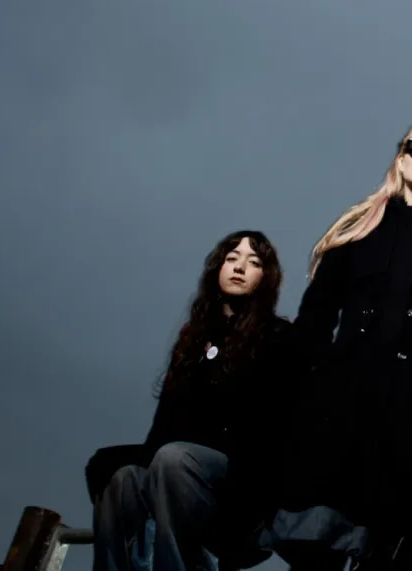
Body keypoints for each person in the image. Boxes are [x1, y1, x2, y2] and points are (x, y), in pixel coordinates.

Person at [263, 121, 412, 571]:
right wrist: (318, 381)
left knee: (408, 543)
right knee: (322, 539)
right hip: (346, 405)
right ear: (400, 155)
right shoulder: (357, 227)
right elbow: (316, 317)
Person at [86, 231, 299, 571]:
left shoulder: (278, 338)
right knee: (122, 478)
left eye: (253, 262)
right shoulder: (194, 339)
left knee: (174, 458)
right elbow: (162, 428)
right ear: (217, 268)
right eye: (232, 258)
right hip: (177, 475)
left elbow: (276, 433)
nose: (239, 267)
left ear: (266, 277)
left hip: (240, 488)